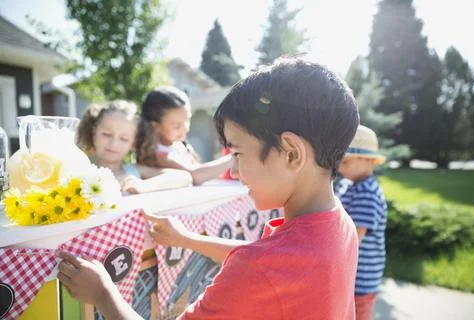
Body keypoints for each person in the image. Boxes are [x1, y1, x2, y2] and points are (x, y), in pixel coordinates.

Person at [58, 57, 360, 319]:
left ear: (291, 153)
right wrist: (185, 238)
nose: (235, 170)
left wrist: (102, 295)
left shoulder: (259, 268)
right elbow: (263, 259)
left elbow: (258, 264)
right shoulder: (339, 223)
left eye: (238, 153)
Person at [76, 100, 193, 194]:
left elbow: (185, 177)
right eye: (107, 134)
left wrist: (145, 185)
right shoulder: (79, 170)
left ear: (133, 142)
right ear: (94, 132)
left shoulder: (134, 172)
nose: (114, 143)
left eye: (124, 139)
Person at [336, 125, 388, 320]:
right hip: (349, 277)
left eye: (345, 162)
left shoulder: (366, 192)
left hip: (361, 281)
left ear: (368, 160)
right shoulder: (348, 185)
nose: (340, 168)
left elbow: (355, 238)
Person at [136, 86, 233, 185]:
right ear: (156, 127)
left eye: (187, 120)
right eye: (177, 126)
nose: (185, 128)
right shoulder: (158, 154)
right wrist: (234, 158)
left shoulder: (179, 145)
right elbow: (194, 176)